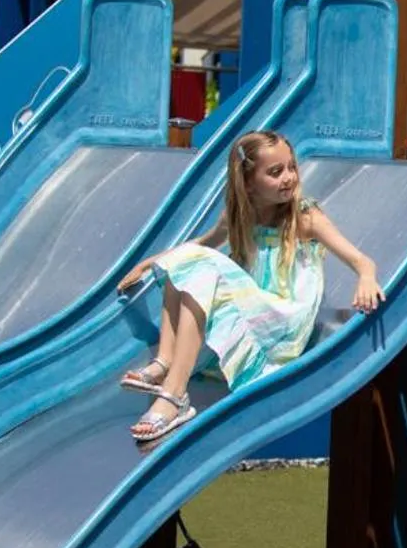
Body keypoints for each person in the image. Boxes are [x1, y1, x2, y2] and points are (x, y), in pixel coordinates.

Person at [116, 130, 384, 443]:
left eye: (291, 167)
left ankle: (175, 394)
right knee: (187, 260)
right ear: (248, 183)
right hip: (253, 312)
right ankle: (165, 363)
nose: (289, 178)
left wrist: (366, 277)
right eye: (275, 172)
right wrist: (152, 262)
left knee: (196, 261)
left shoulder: (304, 216)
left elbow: (360, 259)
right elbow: (201, 245)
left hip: (282, 322)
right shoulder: (238, 215)